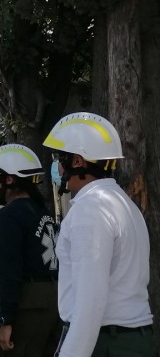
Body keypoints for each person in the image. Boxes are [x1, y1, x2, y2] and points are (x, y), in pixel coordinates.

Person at [43, 112, 156, 357]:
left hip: (106, 342)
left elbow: (89, 303)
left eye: (59, 158)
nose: (57, 166)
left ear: (76, 162)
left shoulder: (90, 210)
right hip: (128, 339)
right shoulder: (121, 202)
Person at [0, 144, 61, 356]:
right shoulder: (40, 210)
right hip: (53, 301)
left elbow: (11, 269)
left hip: (28, 303)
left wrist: (6, 318)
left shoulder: (9, 215)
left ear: (10, 179)